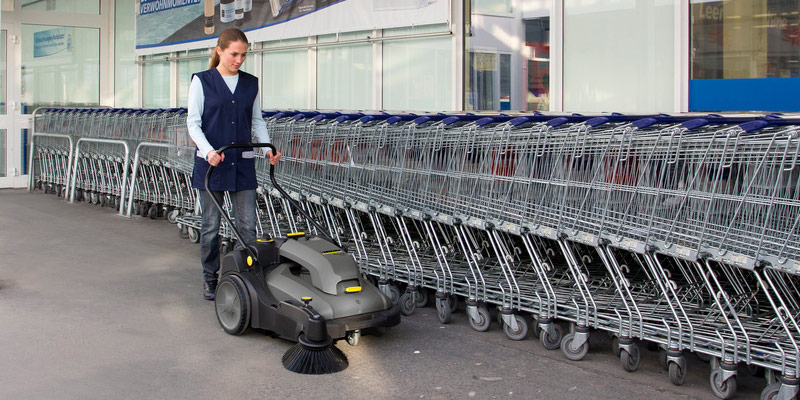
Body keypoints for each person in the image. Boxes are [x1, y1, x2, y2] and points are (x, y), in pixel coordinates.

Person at [186, 28, 281, 300]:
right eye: (233, 54)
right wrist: (207, 151)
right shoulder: (202, 81)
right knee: (211, 228)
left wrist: (267, 149)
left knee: (247, 226)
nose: (239, 60)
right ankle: (210, 278)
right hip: (213, 164)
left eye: (243, 55)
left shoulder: (250, 84)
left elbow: (257, 121)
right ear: (220, 51)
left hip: (242, 163)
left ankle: (248, 278)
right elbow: (193, 123)